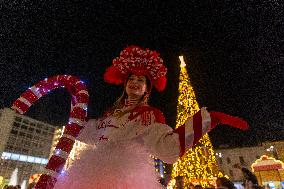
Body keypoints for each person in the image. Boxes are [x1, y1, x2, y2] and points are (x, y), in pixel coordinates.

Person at [54, 45, 248, 189]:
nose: (135, 82)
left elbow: (169, 148)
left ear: (147, 88)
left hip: (126, 179)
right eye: (131, 78)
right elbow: (85, 133)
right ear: (125, 83)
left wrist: (209, 119)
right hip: (89, 174)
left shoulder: (150, 115)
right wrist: (74, 106)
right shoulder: (110, 113)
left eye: (141, 80)